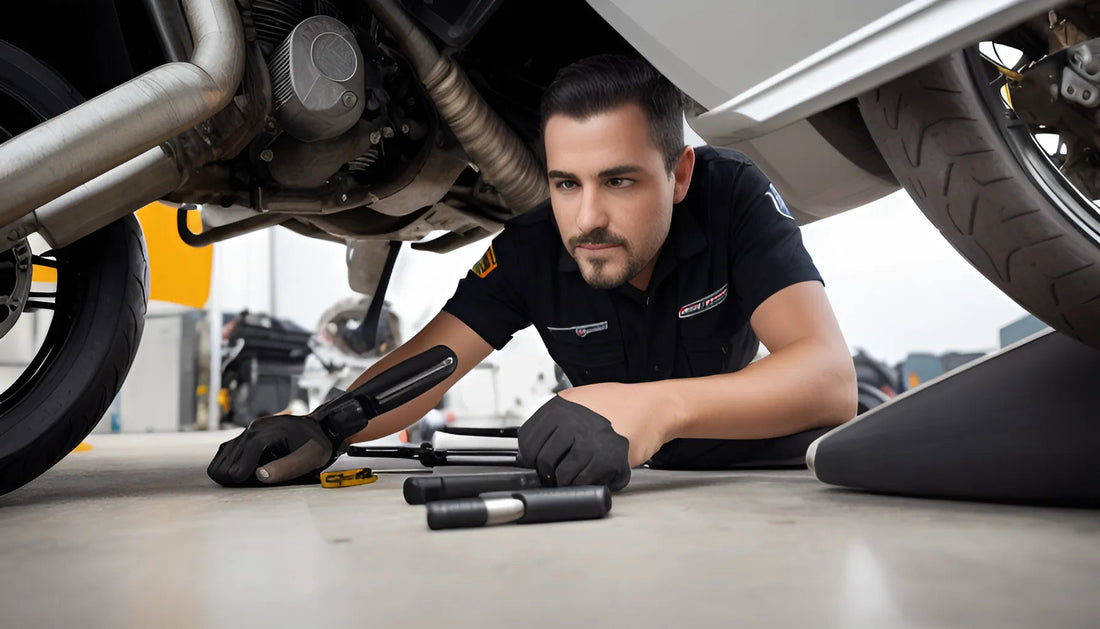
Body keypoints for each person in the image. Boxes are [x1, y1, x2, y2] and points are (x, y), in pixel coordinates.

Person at [208, 54, 857, 490]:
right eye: (566, 183)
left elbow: (827, 377)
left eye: (620, 181)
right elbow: (434, 359)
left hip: (742, 447)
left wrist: (652, 407)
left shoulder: (730, 197)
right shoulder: (532, 245)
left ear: (679, 173)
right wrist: (331, 424)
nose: (588, 218)